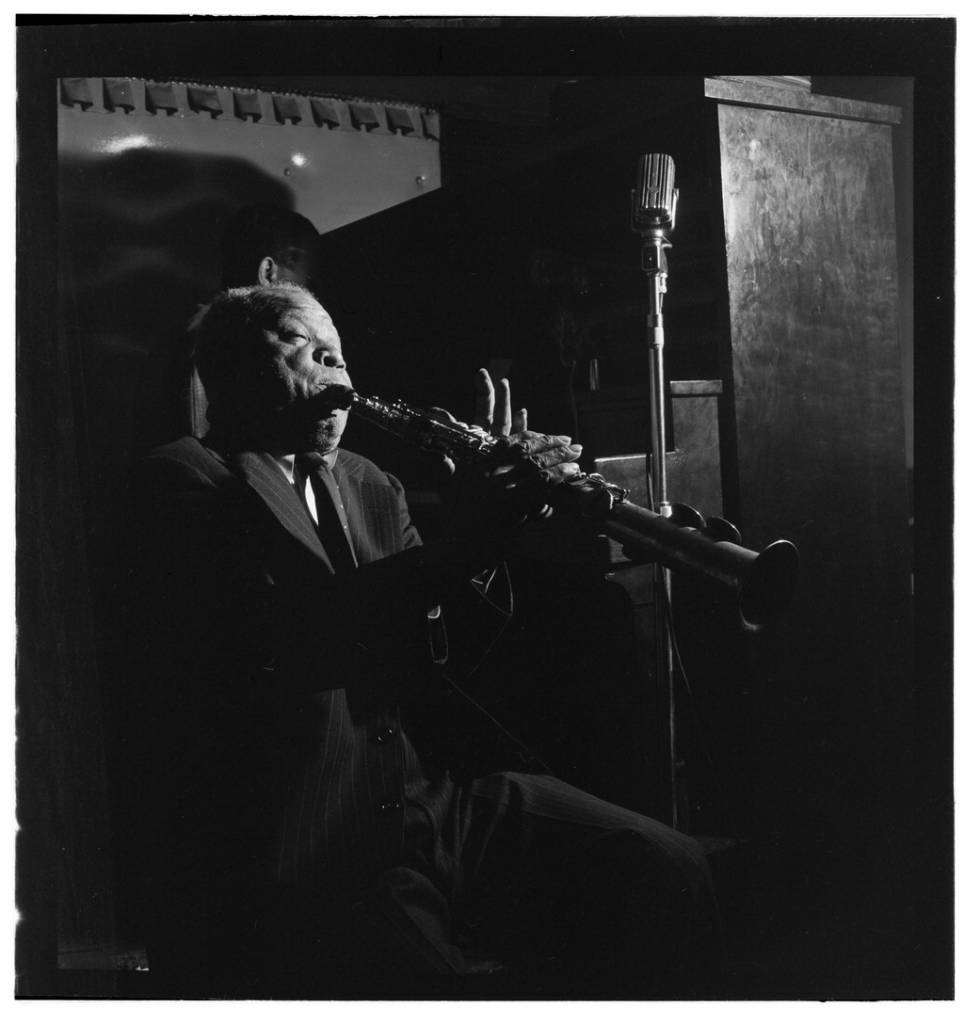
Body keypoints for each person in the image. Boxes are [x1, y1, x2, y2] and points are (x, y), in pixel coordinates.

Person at [133, 281, 719, 998]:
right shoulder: (184, 481)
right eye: (305, 351)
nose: (336, 375)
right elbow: (297, 638)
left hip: (429, 809)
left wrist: (510, 538)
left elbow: (440, 663)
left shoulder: (371, 481)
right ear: (229, 377)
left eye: (338, 354)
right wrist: (466, 539)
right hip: (321, 846)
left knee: (670, 867)